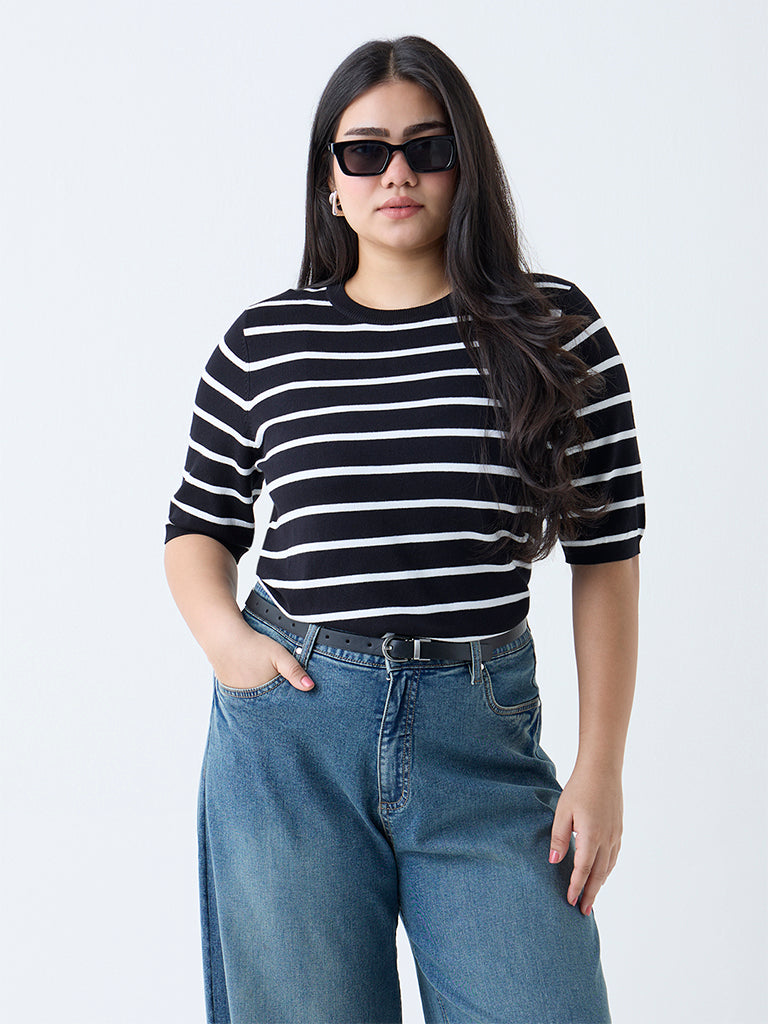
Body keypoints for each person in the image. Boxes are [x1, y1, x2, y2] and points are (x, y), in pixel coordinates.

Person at [164, 34, 643, 1024]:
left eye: (428, 148)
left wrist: (601, 765)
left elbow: (607, 554)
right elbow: (198, 527)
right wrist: (228, 645)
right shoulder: (263, 345)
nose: (397, 173)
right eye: (365, 151)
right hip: (293, 736)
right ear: (329, 182)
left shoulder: (556, 332)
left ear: (466, 165)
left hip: (481, 735)